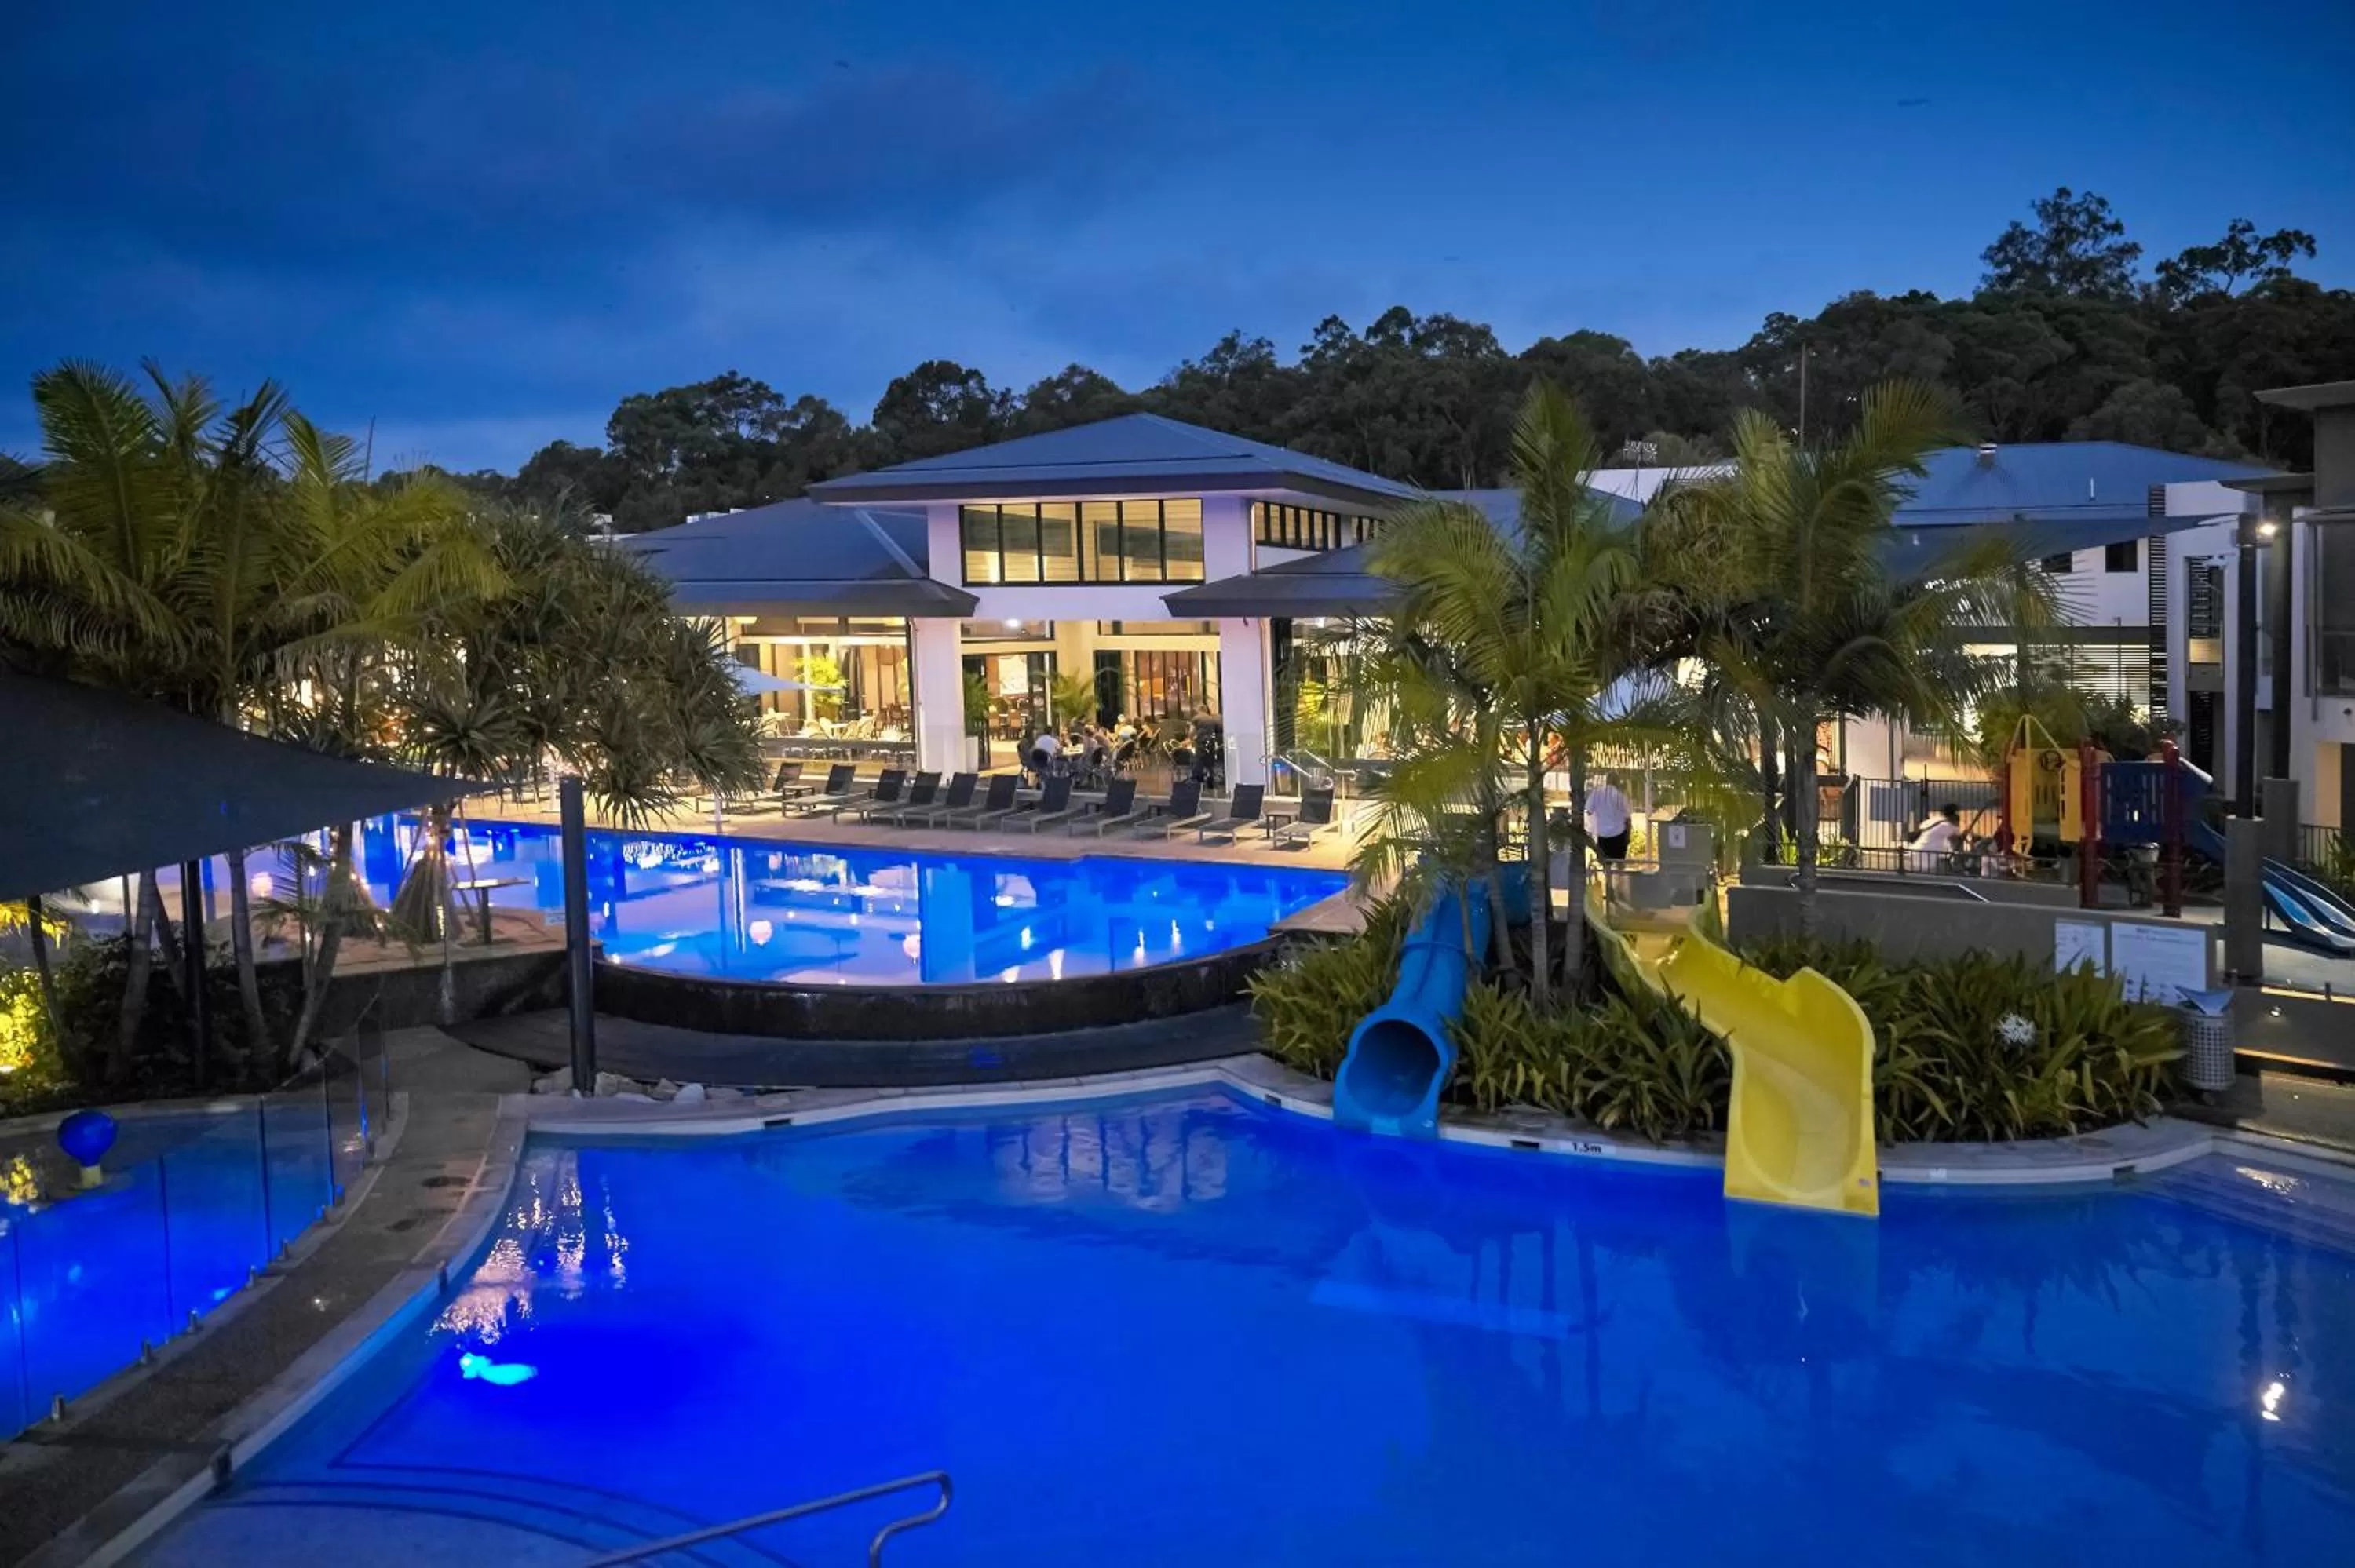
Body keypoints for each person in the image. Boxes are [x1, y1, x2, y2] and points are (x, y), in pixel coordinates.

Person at [1585, 773, 1632, 863]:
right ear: (1617, 782)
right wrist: (1628, 836)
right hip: (1619, 834)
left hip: (1603, 834)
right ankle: (1619, 876)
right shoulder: (1620, 796)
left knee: (1606, 863)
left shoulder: (1597, 793)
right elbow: (1628, 818)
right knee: (1620, 862)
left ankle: (1608, 877)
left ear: (1607, 781)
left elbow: (1588, 811)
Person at [1906, 802, 1962, 871]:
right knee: (1929, 876)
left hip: (1915, 850)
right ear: (1954, 814)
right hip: (1928, 854)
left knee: (1919, 876)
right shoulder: (1948, 826)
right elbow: (1955, 842)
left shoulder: (1930, 821)